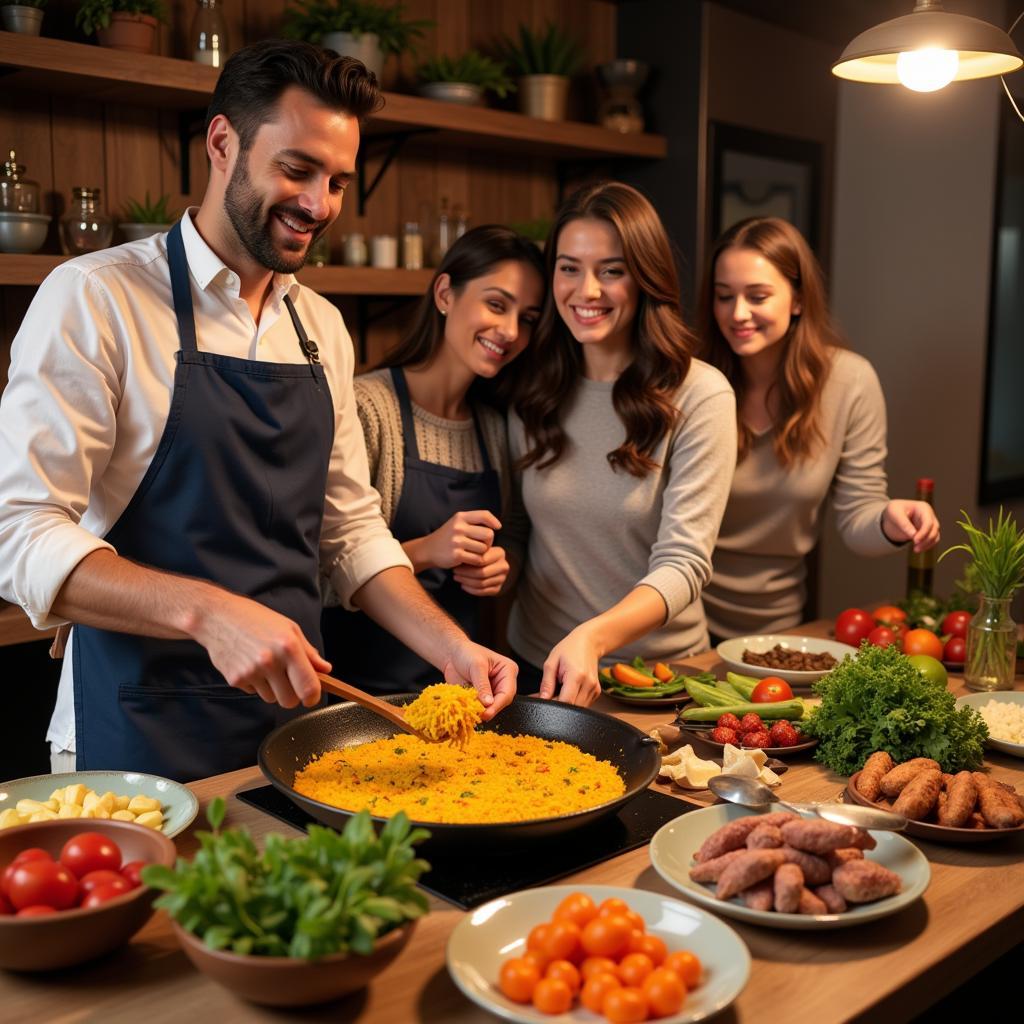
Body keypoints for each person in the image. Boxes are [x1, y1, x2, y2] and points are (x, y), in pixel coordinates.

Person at [0, 41, 516, 783]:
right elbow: (18, 534)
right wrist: (210, 613)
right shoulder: (95, 299)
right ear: (222, 143)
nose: (320, 205)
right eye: (297, 169)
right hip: (141, 726)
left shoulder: (321, 330)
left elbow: (349, 531)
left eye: (338, 180)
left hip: (298, 734)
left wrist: (449, 647)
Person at [503, 181, 738, 706]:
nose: (586, 291)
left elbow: (684, 564)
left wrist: (594, 636)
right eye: (569, 267)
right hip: (539, 669)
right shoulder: (529, 389)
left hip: (657, 680)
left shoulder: (701, 394)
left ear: (645, 277)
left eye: (611, 270)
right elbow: (521, 530)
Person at [322, 225, 545, 693]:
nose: (509, 332)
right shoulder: (367, 408)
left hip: (465, 693)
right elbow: (319, 575)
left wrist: (501, 569)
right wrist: (426, 552)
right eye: (496, 304)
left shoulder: (494, 424)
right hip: (362, 696)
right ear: (445, 293)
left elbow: (518, 533)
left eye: (527, 318)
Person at [696, 216, 940, 640]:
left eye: (757, 296)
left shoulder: (849, 382)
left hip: (780, 629)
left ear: (797, 299)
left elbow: (858, 515)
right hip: (682, 623)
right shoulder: (692, 380)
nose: (737, 313)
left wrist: (888, 520)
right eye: (723, 296)